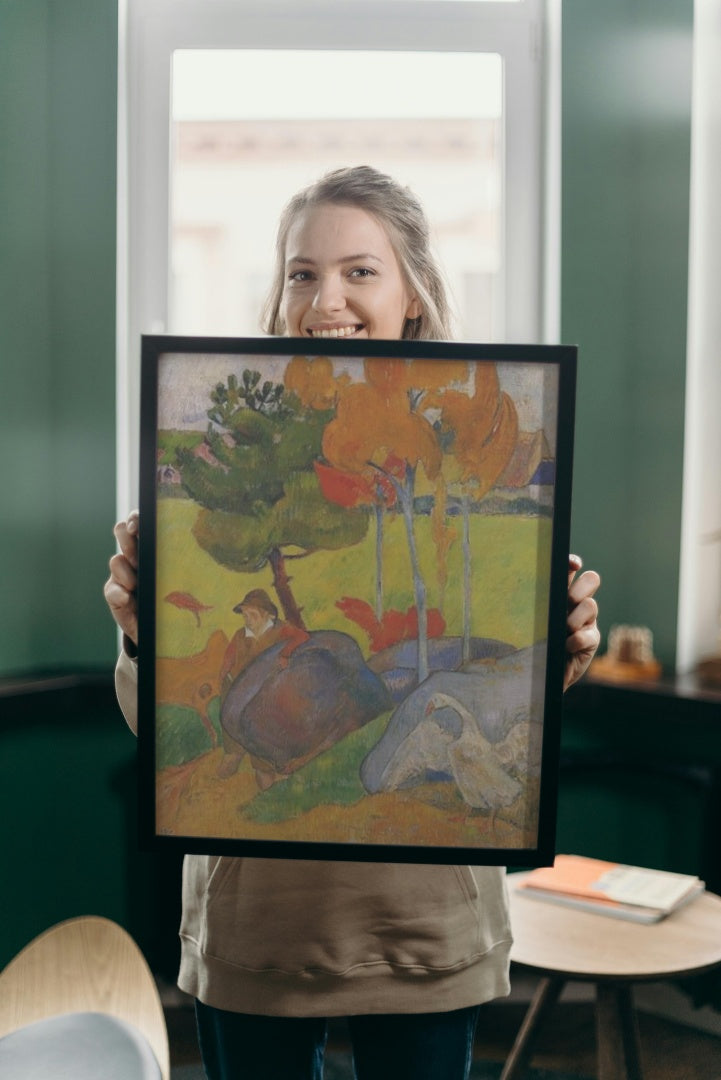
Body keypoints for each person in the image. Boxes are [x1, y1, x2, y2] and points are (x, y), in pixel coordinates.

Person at [105, 165, 601, 1080]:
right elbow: (163, 733)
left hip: (424, 925)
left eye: (358, 271)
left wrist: (562, 650)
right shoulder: (228, 434)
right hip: (257, 929)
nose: (324, 298)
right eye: (301, 272)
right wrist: (138, 638)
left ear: (412, 292)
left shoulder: (472, 418)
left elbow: (521, 722)